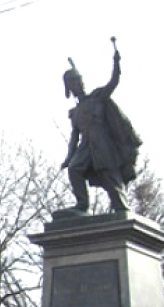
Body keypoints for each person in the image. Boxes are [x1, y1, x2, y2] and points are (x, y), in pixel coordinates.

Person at [60, 44, 141, 214]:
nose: (79, 85)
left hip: (103, 142)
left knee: (110, 175)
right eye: (74, 83)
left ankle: (121, 207)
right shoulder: (75, 113)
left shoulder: (97, 97)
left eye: (80, 81)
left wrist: (116, 63)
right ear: (70, 88)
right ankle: (82, 204)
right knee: (74, 169)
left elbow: (113, 83)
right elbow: (74, 137)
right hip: (86, 146)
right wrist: (68, 158)